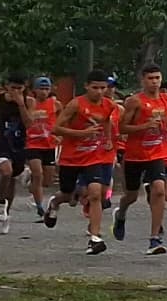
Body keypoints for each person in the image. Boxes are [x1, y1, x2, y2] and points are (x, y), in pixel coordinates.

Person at [53, 71, 123, 255]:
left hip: (94, 156)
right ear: (86, 86)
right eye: (95, 88)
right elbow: (56, 128)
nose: (99, 92)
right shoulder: (76, 104)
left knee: (95, 193)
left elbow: (106, 121)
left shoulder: (109, 105)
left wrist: (107, 139)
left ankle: (95, 237)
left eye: (103, 88)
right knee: (68, 195)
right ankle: (55, 203)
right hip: (71, 157)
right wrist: (81, 134)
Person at [117, 67, 167, 255]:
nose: (154, 82)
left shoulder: (165, 99)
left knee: (159, 190)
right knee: (131, 195)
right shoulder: (135, 101)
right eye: (150, 78)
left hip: (157, 153)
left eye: (157, 78)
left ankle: (155, 238)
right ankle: (120, 214)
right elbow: (122, 128)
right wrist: (145, 126)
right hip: (136, 155)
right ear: (142, 80)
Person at [0, 77, 31, 226]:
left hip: (19, 143)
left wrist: (21, 105)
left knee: (12, 178)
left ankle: (7, 211)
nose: (16, 92)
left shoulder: (28, 101)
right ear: (6, 87)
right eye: (13, 88)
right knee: (6, 171)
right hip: (1, 141)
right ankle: (1, 203)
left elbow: (29, 123)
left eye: (20, 88)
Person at [22, 75, 62, 226]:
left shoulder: (55, 104)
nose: (44, 92)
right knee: (38, 174)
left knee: (47, 179)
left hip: (49, 144)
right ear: (34, 90)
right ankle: (39, 207)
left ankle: (30, 178)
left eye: (46, 89)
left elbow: (61, 119)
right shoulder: (30, 104)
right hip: (32, 143)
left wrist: (59, 134)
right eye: (41, 89)